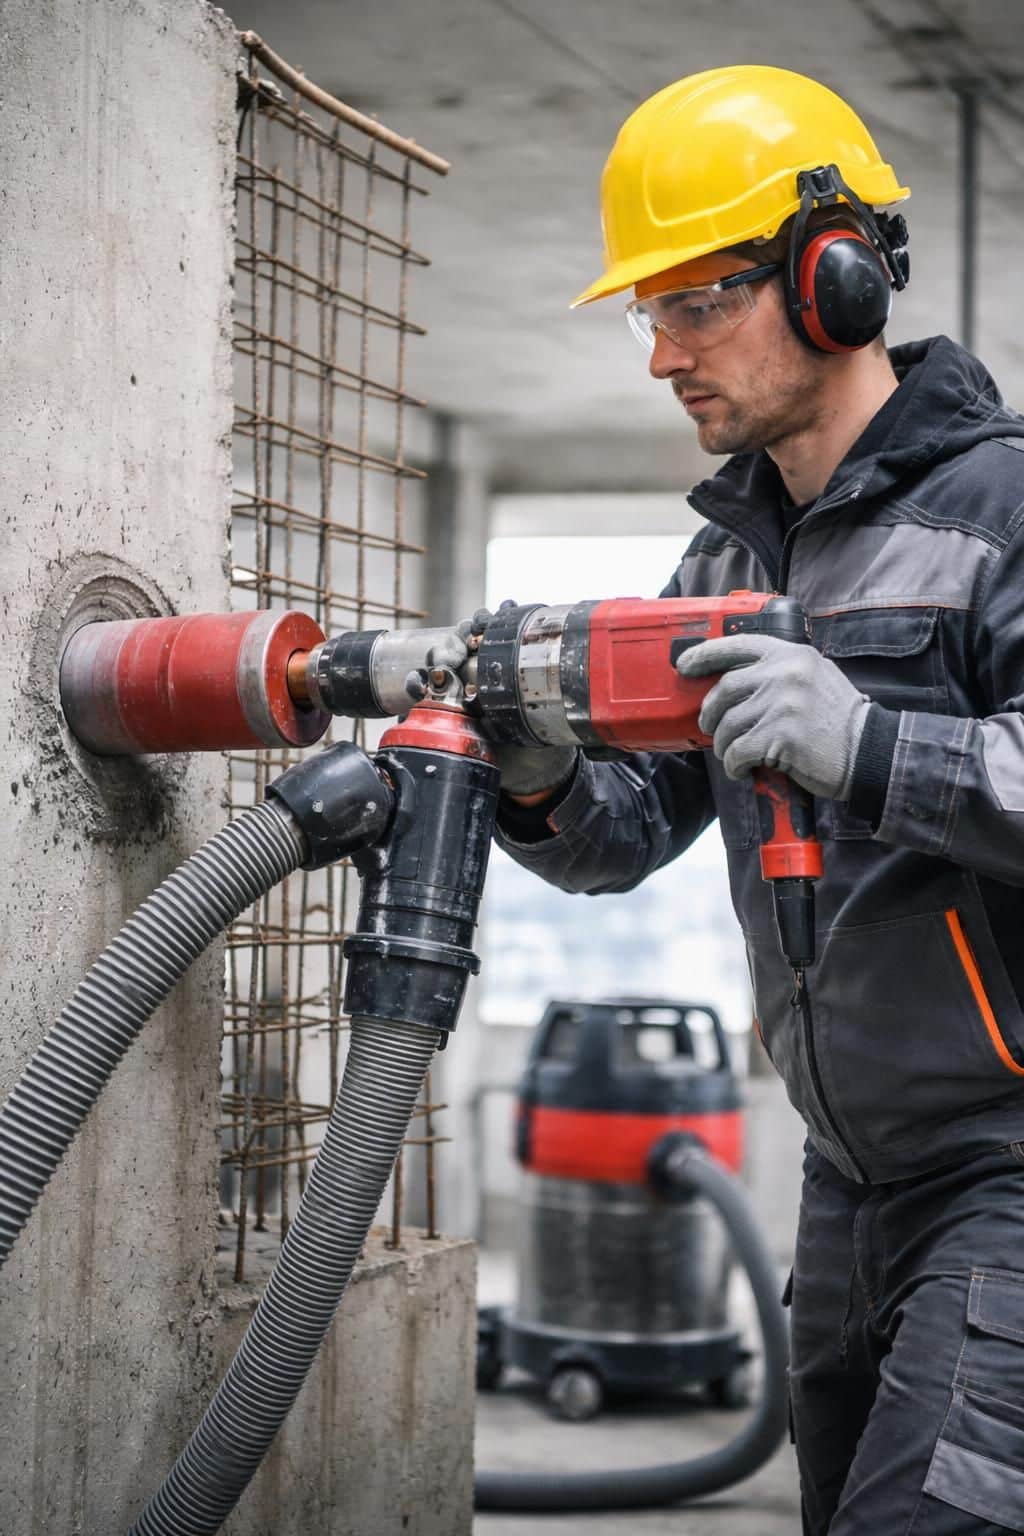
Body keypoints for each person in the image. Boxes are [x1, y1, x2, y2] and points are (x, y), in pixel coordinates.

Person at [485, 65, 1024, 1535]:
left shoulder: (1004, 515)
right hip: (847, 1187)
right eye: (648, 313)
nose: (661, 353)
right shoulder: (725, 572)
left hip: (1007, 1173)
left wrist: (865, 745)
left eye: (698, 302)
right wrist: (536, 783)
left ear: (834, 278)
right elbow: (626, 839)